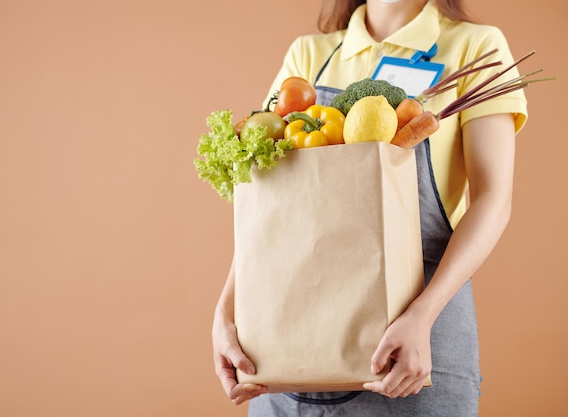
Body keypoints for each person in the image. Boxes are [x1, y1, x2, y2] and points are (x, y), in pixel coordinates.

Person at [212, 0, 528, 415]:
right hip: (297, 322)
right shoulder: (310, 55)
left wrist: (422, 316)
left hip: (413, 336)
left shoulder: (475, 47)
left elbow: (493, 199)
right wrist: (226, 312)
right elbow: (269, 207)